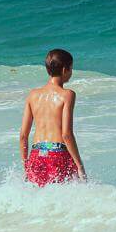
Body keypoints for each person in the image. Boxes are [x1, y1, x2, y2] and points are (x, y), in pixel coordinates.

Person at [20, 48, 86, 186]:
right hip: (58, 155)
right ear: (64, 70)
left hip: (36, 155)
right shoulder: (67, 95)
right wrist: (79, 165)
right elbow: (66, 135)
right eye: (71, 68)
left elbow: (23, 136)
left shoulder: (32, 95)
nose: (71, 73)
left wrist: (26, 164)